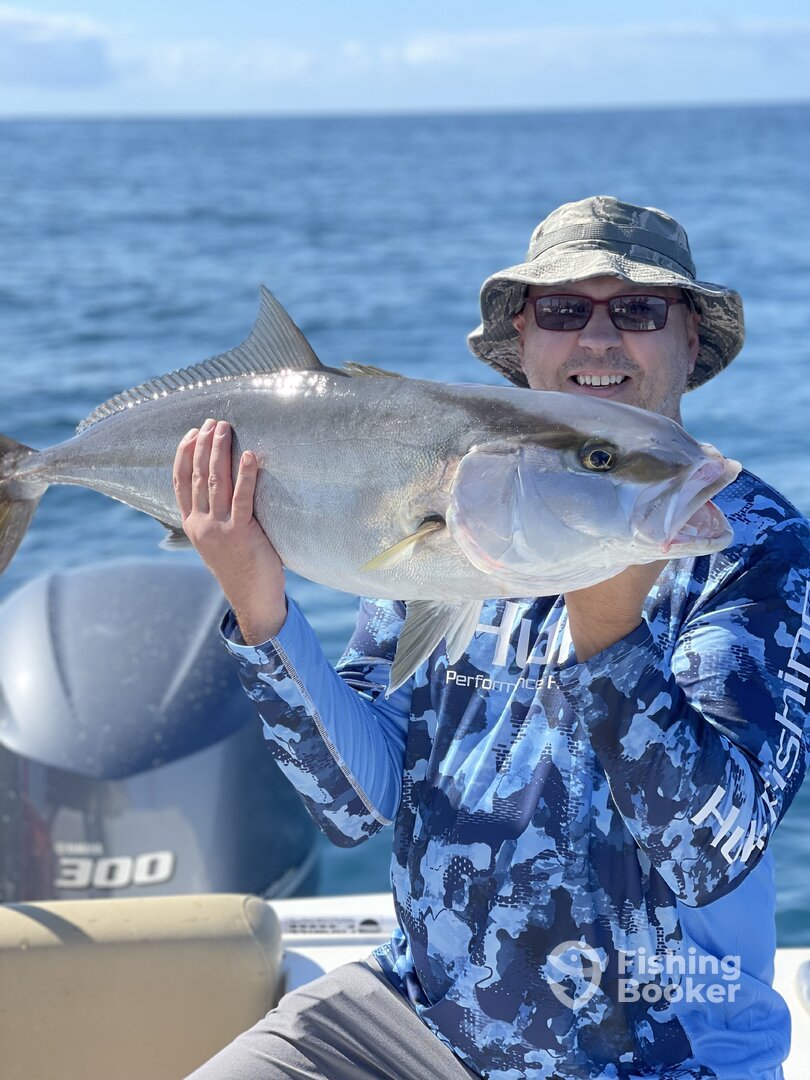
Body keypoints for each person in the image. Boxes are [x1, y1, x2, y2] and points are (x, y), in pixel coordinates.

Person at [176, 196, 810, 1080]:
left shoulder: (753, 545)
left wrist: (609, 636)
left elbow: (712, 853)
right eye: (564, 310)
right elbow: (354, 805)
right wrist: (262, 611)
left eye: (637, 310)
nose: (598, 338)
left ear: (689, 338)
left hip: (661, 1055)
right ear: (524, 337)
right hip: (413, 1015)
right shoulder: (454, 497)